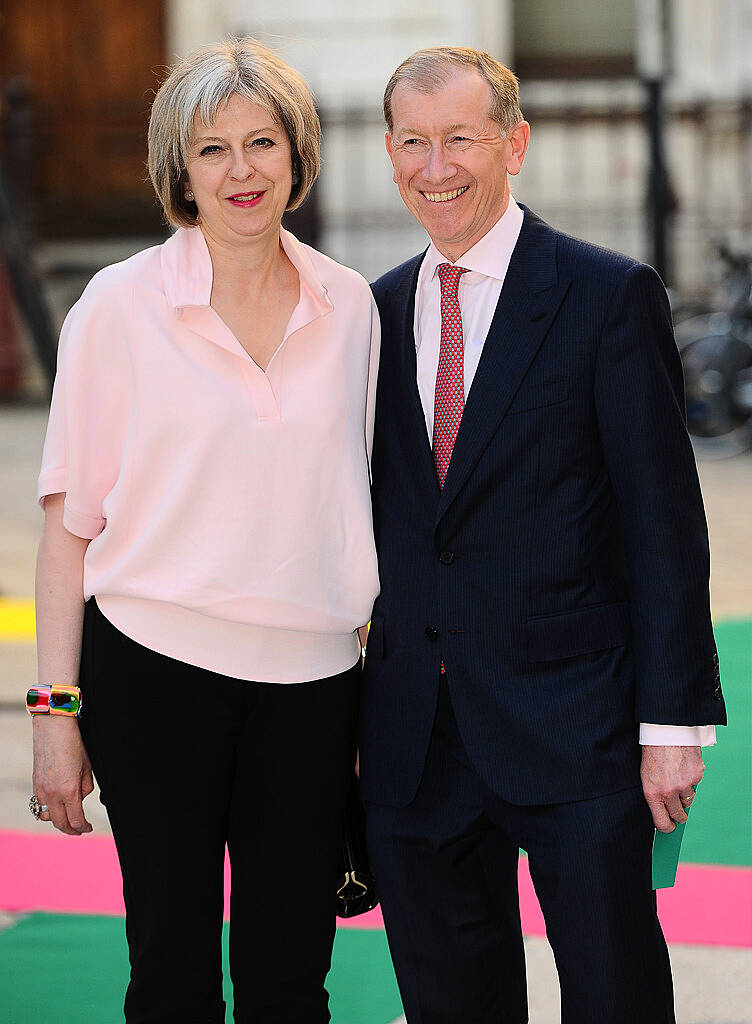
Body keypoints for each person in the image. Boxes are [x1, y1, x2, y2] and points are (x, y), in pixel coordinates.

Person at [360, 46, 726, 1024]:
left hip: (577, 730)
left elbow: (661, 525)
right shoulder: (372, 309)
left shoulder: (605, 295)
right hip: (413, 742)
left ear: (512, 144)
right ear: (387, 153)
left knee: (612, 999)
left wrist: (670, 726)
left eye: (460, 140)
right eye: (413, 141)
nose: (435, 167)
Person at [30, 37, 379, 1024]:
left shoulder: (350, 307)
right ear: (178, 169)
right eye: (213, 149)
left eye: (261, 142)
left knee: (288, 979)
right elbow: (68, 531)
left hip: (313, 692)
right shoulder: (117, 307)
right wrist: (55, 715)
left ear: (296, 154)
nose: (241, 171)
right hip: (154, 679)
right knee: (172, 974)